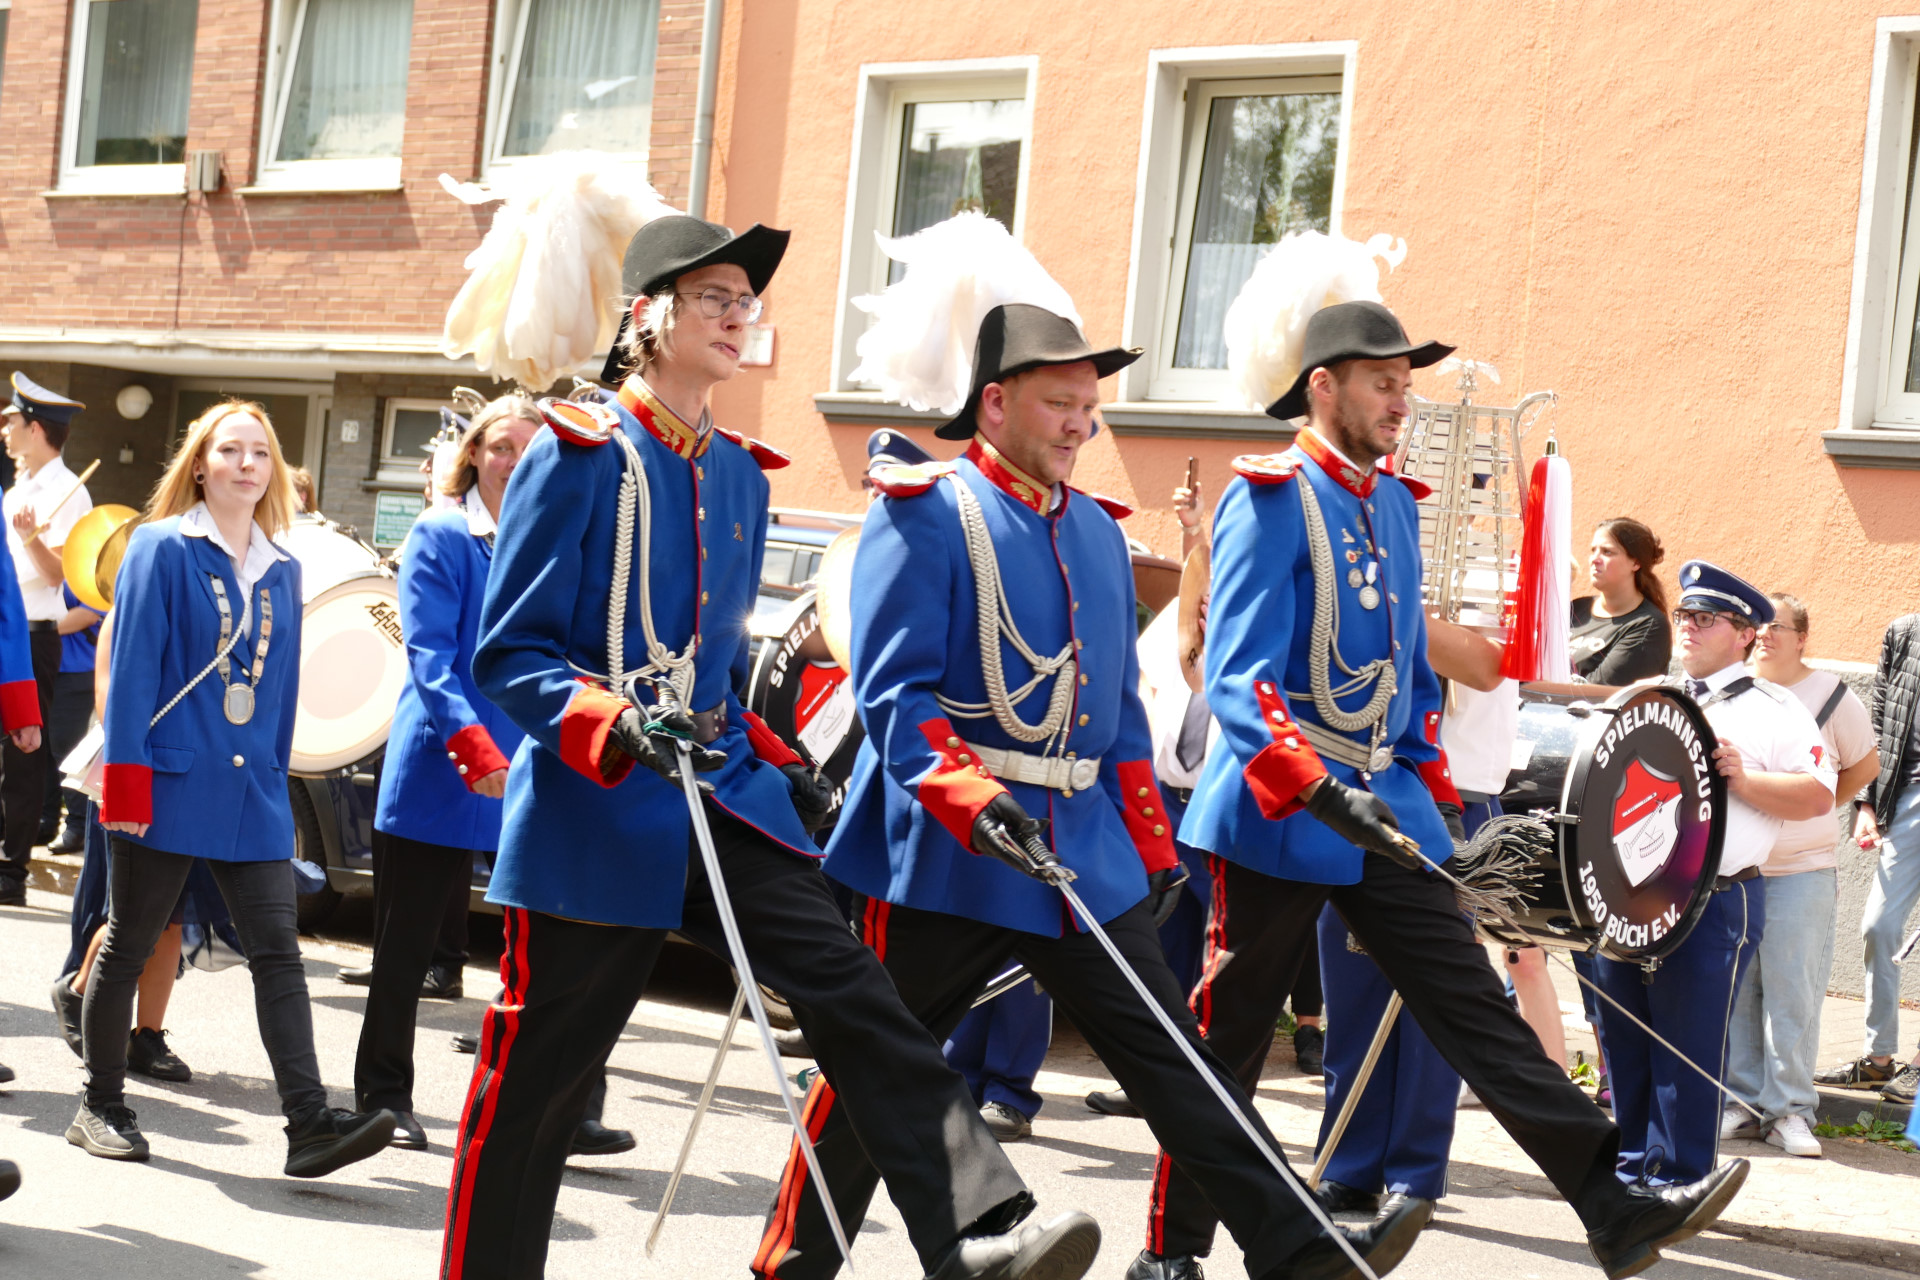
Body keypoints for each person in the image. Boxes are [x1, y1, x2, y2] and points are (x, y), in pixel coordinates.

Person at [448, 215, 1094, 1280]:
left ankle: (974, 1232)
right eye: (715, 298)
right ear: (649, 316)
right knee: (538, 1091)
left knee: (857, 994)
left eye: (745, 302)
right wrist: (614, 722)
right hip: (594, 811)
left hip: (724, 796)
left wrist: (785, 757)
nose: (738, 317)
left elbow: (712, 673)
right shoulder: (575, 454)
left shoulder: (742, 477)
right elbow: (509, 654)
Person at [759, 294, 1419, 1280]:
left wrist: (1151, 852)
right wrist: (973, 802)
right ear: (993, 403)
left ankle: (1297, 1243)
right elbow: (895, 697)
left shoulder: (1100, 535)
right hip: (947, 853)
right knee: (876, 1072)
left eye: (1090, 408)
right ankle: (792, 1262)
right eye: (1060, 404)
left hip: (1080, 855)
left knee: (1176, 1059)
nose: (1082, 426)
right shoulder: (924, 512)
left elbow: (1114, 719)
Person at [1139, 298, 1751, 1280]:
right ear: (1323, 386)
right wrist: (1316, 789)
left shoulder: (1390, 502)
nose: (1401, 401)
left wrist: (1432, 803)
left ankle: (1608, 1201)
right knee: (1230, 1038)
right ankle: (1171, 1250)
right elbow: (1237, 676)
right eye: (1383, 384)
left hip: (1387, 803)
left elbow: (1407, 679)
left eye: (1406, 384)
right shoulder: (1268, 497)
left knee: (1470, 1002)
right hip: (1279, 809)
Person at [77, 399, 396, 1173]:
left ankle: (308, 1124)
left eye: (260, 451)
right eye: (230, 449)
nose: (247, 463)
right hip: (166, 782)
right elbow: (134, 672)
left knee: (278, 955)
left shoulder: (284, 567)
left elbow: (279, 696)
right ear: (200, 465)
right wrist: (127, 783)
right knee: (128, 945)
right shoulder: (160, 546)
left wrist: (277, 790)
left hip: (253, 794)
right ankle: (100, 1105)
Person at [1593, 564, 1834, 1188]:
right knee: (1625, 1039)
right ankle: (1629, 1176)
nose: (1689, 628)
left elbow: (1817, 795)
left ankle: (1677, 1180)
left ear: (1745, 635)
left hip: (1714, 896)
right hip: (1630, 894)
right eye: (1685, 616)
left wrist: (1743, 781)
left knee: (1687, 1046)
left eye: (1706, 619)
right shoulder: (1651, 694)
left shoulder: (1774, 708)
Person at [352, 394, 539, 1152]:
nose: (514, 462)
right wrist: (474, 746)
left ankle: (564, 1104)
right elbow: (429, 658)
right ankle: (382, 1097)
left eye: (530, 449)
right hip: (444, 764)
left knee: (548, 951)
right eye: (501, 446)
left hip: (526, 766)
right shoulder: (442, 530)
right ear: (474, 454)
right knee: (405, 953)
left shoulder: (549, 539)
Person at [1723, 593, 1878, 1157]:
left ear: (1802, 638)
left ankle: (1789, 1110)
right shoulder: (1735, 689)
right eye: (1757, 625)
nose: (1764, 635)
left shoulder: (1832, 696)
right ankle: (1742, 1104)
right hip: (1739, 869)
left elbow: (1865, 764)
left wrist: (1819, 805)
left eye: (1777, 627)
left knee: (1792, 994)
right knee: (1739, 992)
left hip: (1802, 870)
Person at [1816, 609, 1920, 1106]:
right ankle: (1878, 1062)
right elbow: (1877, 724)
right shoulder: (1905, 633)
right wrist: (1866, 803)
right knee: (1879, 926)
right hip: (1908, 798)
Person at [0, 373, 85, 903]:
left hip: (32, 637)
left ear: (35, 428)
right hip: (7, 631)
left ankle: (11, 871)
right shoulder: (18, 488)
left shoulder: (70, 491)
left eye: (11, 420)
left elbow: (60, 575)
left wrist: (31, 538)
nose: (4, 428)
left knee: (23, 755)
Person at [44, 582, 102, 853]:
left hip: (76, 668)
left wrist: (33, 630)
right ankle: (46, 821)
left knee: (67, 748)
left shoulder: (84, 564)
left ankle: (78, 826)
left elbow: (89, 612)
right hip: (42, 664)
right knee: (41, 747)